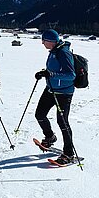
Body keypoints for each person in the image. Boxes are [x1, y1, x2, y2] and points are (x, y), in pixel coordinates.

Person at [34, 29, 76, 165]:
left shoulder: (63, 53)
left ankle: (69, 153)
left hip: (64, 93)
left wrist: (51, 75)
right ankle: (50, 136)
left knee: (62, 121)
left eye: (43, 40)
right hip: (51, 89)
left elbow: (71, 75)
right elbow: (54, 70)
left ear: (50, 41)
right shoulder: (53, 52)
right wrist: (44, 73)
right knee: (39, 114)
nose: (42, 43)